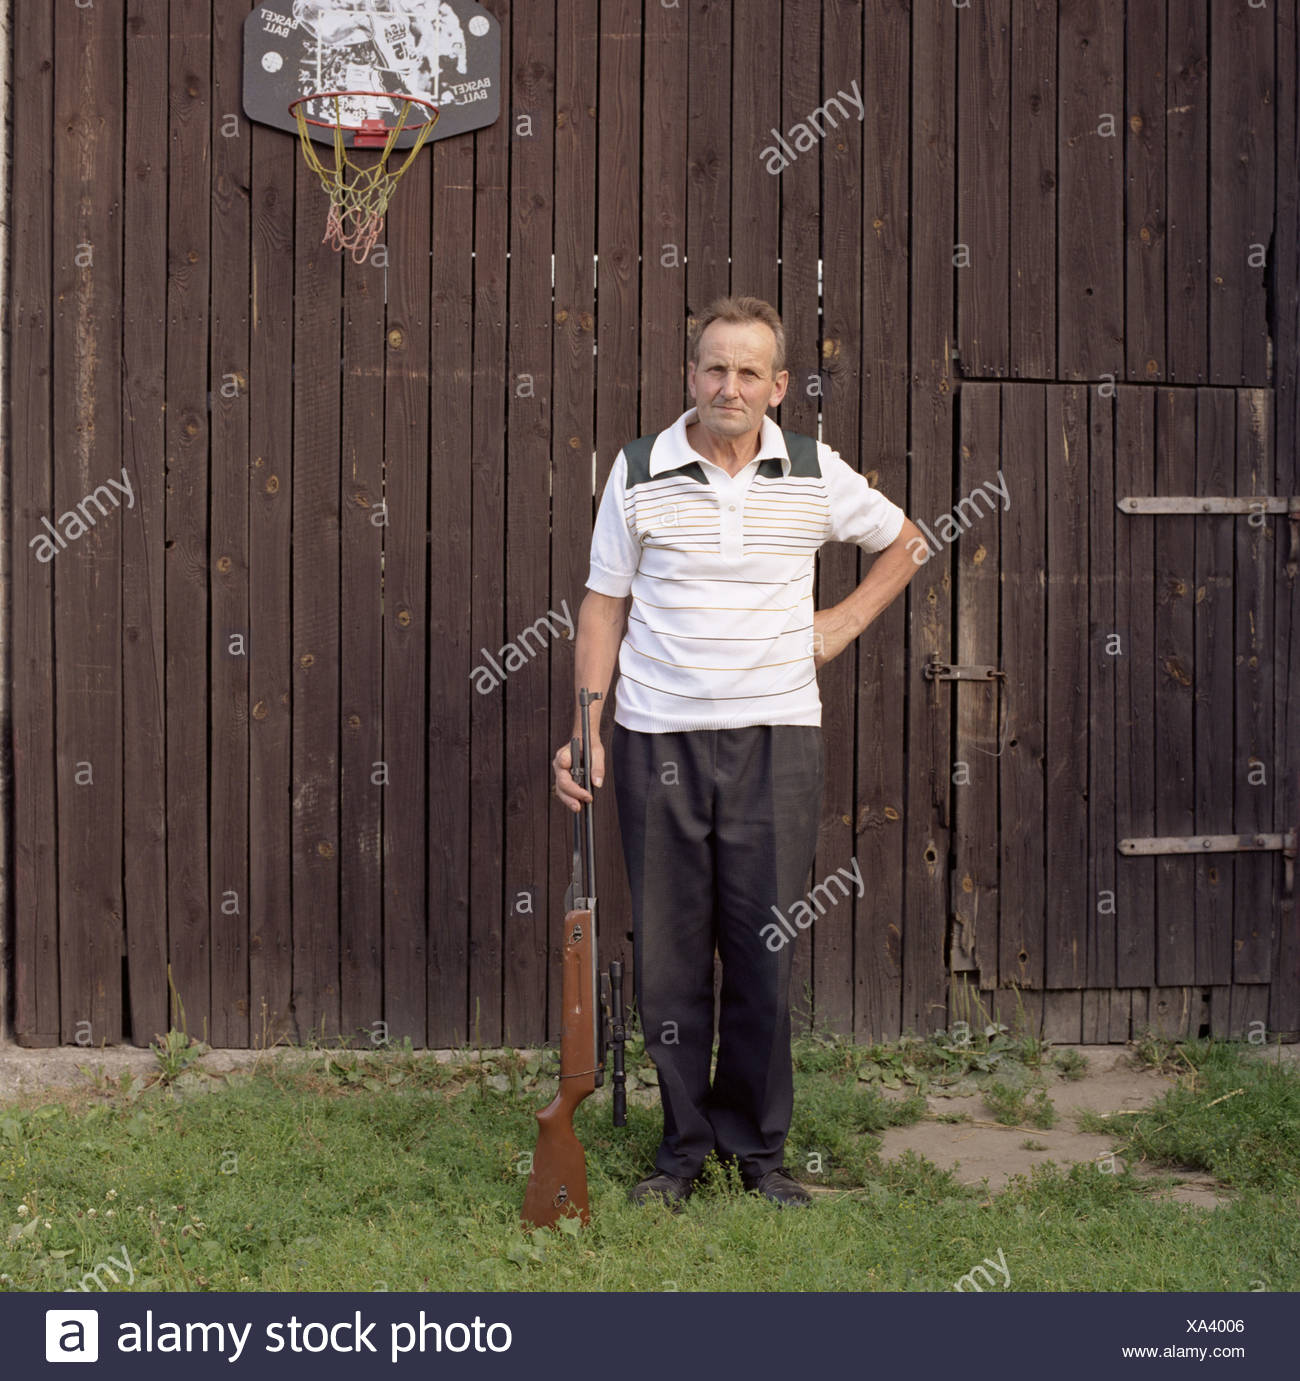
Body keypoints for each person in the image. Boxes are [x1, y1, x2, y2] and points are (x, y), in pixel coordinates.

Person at [553, 296, 923, 1208]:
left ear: (779, 386)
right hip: (654, 737)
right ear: (691, 376)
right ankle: (681, 1152)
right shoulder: (638, 470)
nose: (730, 386)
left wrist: (838, 623)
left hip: (777, 739)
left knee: (763, 952)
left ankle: (757, 1153)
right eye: (715, 368)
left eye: (749, 371)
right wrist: (586, 726)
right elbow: (603, 606)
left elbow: (907, 541)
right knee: (672, 957)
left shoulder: (813, 469)